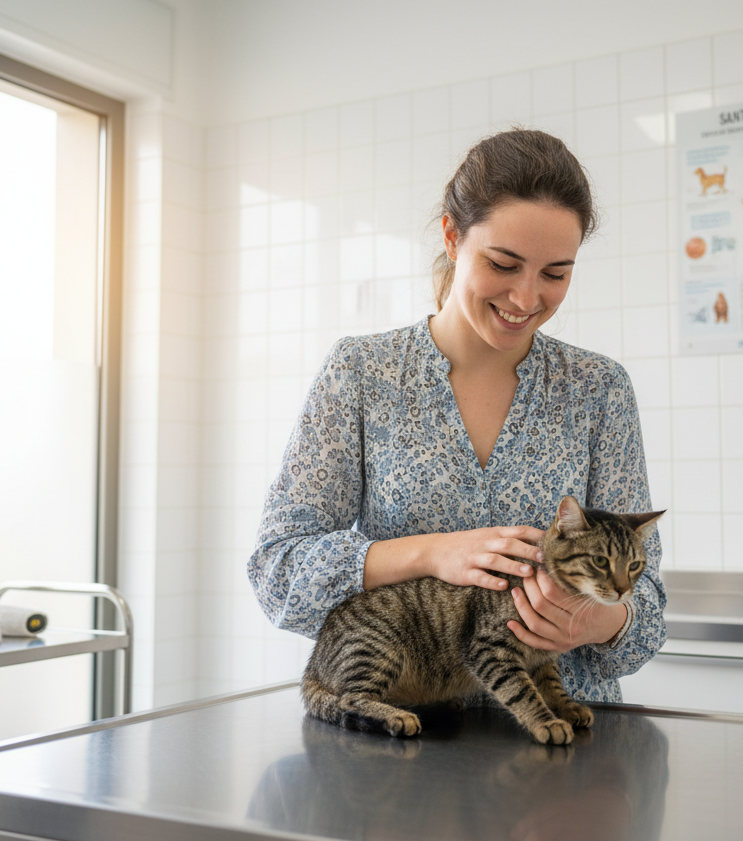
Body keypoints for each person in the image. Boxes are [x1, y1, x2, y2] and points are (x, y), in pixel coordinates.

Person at [248, 128, 665, 702]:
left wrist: (604, 622)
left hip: (566, 753)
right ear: (451, 235)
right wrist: (428, 552)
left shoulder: (599, 391)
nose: (525, 298)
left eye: (555, 274)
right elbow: (278, 573)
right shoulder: (362, 374)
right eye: (503, 263)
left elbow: (649, 620)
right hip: (402, 749)